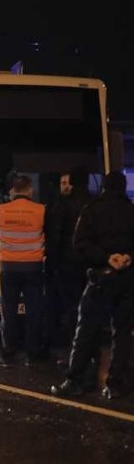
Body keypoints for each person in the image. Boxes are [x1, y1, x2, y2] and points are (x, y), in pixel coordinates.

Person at [52, 171, 134, 399]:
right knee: (122, 332)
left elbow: (79, 243)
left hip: (99, 277)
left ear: (104, 187)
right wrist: (127, 257)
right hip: (127, 279)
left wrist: (106, 258)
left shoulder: (92, 210)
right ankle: (115, 383)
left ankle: (74, 380)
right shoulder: (131, 211)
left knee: (86, 329)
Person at [0, 174, 48, 368]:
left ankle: (9, 351)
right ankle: (33, 352)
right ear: (30, 190)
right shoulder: (40, 210)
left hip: (8, 267)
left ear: (12, 191)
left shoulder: (1, 210)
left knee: (8, 311)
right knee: (33, 311)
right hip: (33, 267)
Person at [43, 168, 94, 357]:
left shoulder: (60, 206)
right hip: (89, 264)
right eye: (62, 183)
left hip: (67, 265)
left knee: (70, 308)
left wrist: (52, 262)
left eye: (68, 183)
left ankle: (75, 351)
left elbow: (55, 237)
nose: (66, 187)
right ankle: (89, 352)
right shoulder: (93, 203)